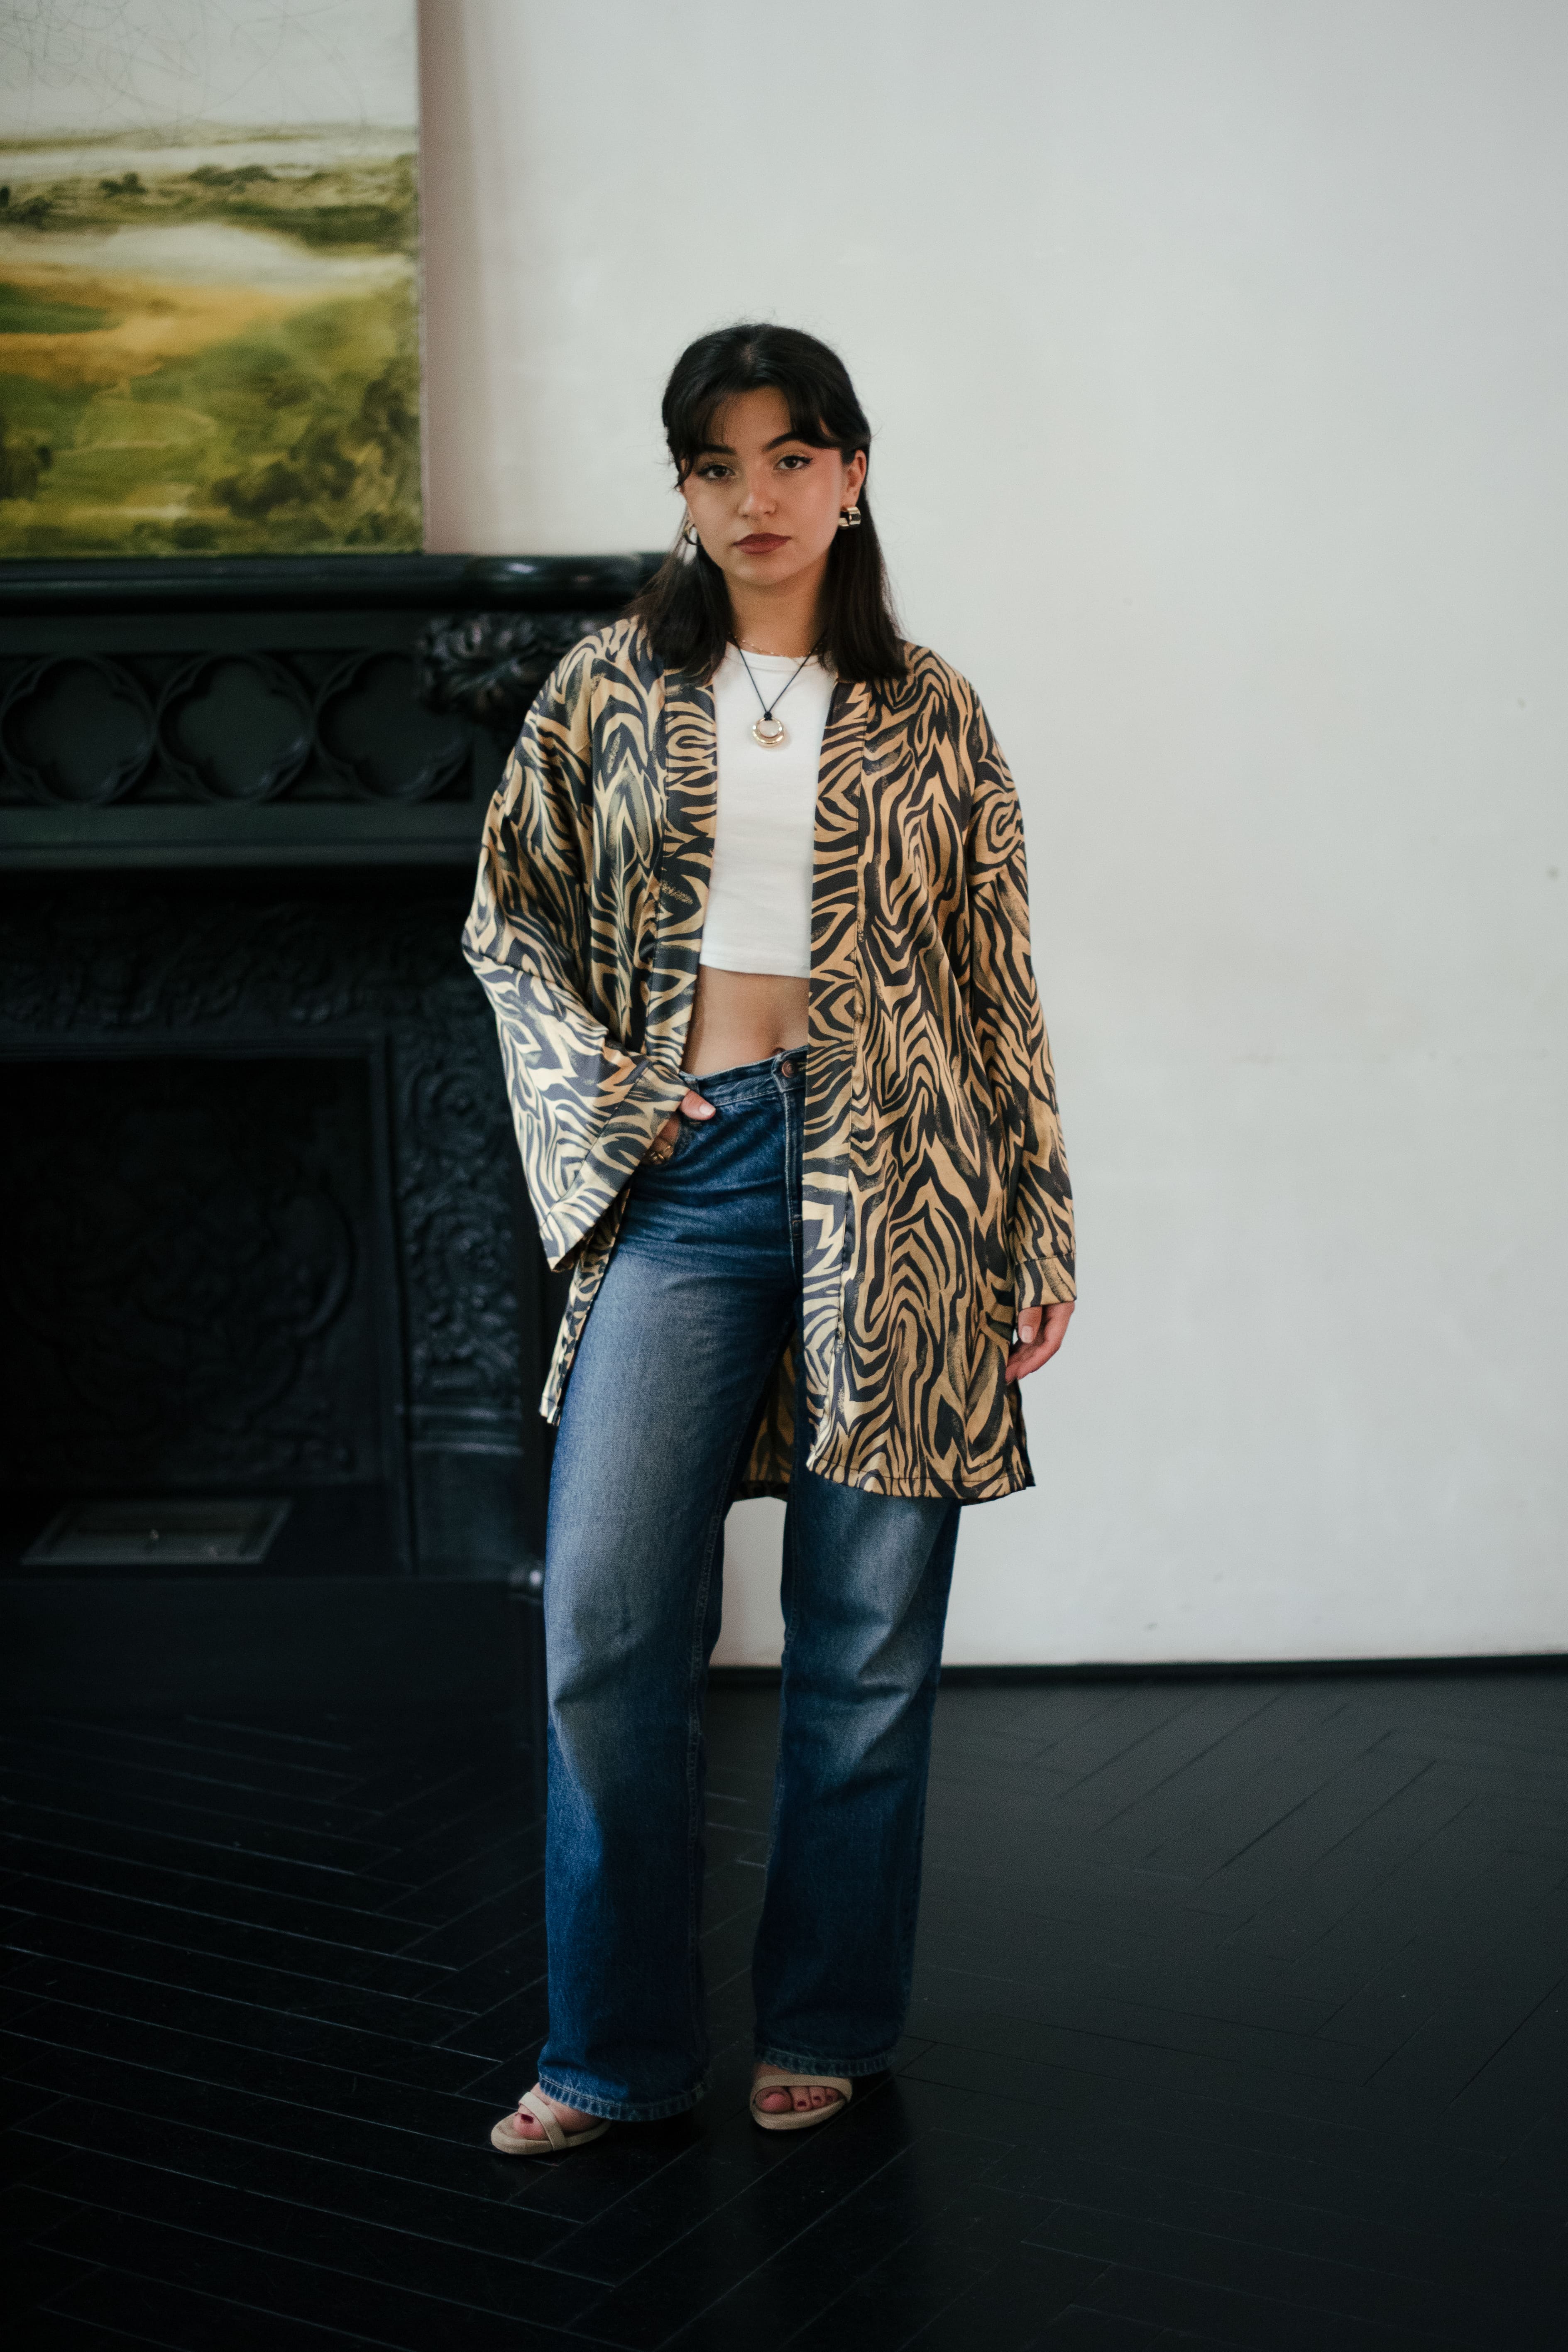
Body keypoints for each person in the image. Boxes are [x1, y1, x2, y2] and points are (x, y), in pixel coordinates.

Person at [463, 323, 1075, 2155]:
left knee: (864, 1645)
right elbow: (509, 919)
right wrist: (613, 1101)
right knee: (606, 1624)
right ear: (683, 487)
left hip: (901, 1182)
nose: (757, 496)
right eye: (717, 464)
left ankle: (825, 2018)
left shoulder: (932, 708)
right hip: (692, 1169)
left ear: (852, 474)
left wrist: (1033, 1220)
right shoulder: (606, 686)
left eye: (792, 457)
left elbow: (993, 977)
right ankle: (613, 2049)